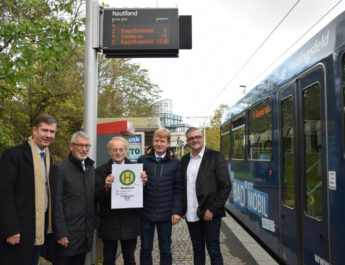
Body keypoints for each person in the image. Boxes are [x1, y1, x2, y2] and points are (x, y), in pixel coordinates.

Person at [0, 113, 57, 265]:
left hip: (38, 229)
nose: (48, 135)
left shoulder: (48, 159)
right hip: (18, 230)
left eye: (52, 132)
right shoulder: (14, 155)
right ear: (34, 130)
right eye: (44, 130)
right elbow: (4, 194)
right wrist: (11, 229)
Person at [181, 127, 231, 265]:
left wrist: (212, 209)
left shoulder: (216, 157)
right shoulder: (185, 160)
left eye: (197, 137)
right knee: (197, 249)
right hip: (191, 213)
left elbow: (225, 186)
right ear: (187, 141)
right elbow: (182, 186)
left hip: (209, 213)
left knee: (213, 249)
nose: (194, 140)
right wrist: (183, 209)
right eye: (191, 138)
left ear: (202, 138)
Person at [95, 136, 148, 265]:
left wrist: (144, 184)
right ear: (109, 151)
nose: (118, 152)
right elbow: (96, 197)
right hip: (109, 221)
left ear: (126, 151)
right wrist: (106, 187)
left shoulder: (137, 170)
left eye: (121, 149)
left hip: (130, 220)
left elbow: (143, 196)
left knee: (129, 258)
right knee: (108, 259)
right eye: (114, 150)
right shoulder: (100, 171)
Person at [138, 128, 183, 265]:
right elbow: (135, 186)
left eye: (162, 141)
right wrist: (142, 183)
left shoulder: (175, 163)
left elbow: (179, 189)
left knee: (166, 249)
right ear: (152, 142)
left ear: (168, 143)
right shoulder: (142, 160)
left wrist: (176, 211)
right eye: (156, 141)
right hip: (146, 213)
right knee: (145, 249)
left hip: (166, 214)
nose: (159, 144)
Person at [52, 131, 97, 265]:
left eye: (87, 146)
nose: (84, 149)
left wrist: (93, 224)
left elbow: (92, 199)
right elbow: (56, 203)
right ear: (71, 146)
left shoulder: (90, 169)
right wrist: (61, 233)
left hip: (84, 236)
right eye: (80, 145)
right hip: (67, 236)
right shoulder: (60, 169)